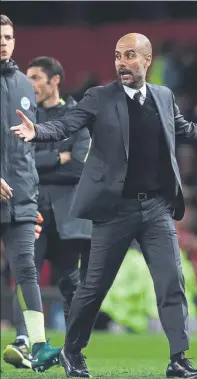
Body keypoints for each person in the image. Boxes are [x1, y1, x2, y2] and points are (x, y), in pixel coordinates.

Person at [11, 33, 197, 379]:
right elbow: (65, 125)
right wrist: (38, 131)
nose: (121, 62)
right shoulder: (99, 97)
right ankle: (72, 353)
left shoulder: (163, 96)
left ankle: (179, 360)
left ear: (147, 61)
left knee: (171, 282)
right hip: (113, 212)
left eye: (130, 55)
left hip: (156, 211)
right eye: (118, 55)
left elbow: (186, 129)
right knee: (92, 289)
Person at [4, 56, 92, 369]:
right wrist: (59, 157)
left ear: (55, 80)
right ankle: (24, 343)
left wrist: (39, 160)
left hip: (69, 215)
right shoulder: (24, 113)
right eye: (27, 78)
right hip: (33, 209)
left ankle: (74, 352)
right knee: (26, 274)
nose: (30, 84)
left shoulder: (76, 114)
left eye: (36, 77)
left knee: (71, 283)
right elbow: (18, 162)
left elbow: (81, 165)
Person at [0, 14, 61, 372]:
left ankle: (37, 345)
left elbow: (26, 148)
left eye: (7, 36)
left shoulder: (25, 84)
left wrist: (32, 194)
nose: (3, 42)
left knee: (26, 270)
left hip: (21, 198)